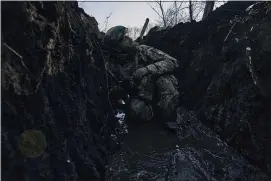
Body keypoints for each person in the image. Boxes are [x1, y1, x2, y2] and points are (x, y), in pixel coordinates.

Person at [103, 25, 180, 122]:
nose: (129, 38)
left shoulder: (142, 50)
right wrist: (121, 90)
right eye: (123, 38)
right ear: (116, 47)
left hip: (160, 88)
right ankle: (155, 116)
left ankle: (170, 119)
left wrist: (147, 69)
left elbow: (172, 62)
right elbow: (112, 92)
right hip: (143, 96)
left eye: (126, 35)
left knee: (164, 82)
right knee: (136, 111)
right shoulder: (113, 66)